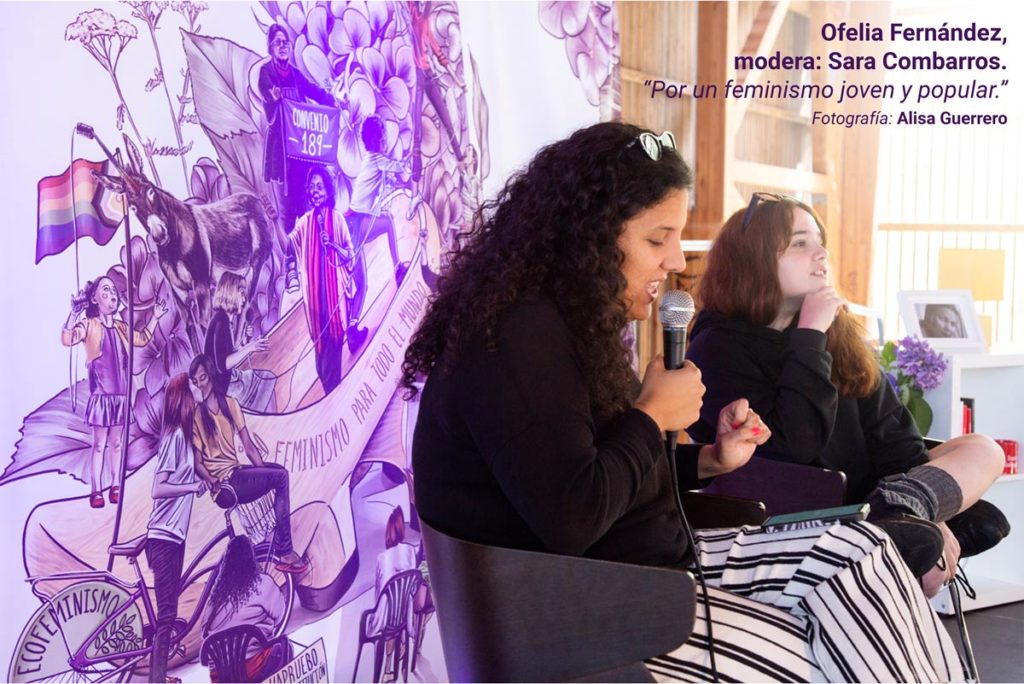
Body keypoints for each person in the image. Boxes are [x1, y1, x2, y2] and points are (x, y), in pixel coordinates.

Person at [402, 122, 963, 682]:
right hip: (584, 606)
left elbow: (591, 466)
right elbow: (572, 514)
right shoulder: (519, 338)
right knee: (840, 637)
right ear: (588, 237)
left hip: (652, 567)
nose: (675, 259)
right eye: (656, 238)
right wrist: (650, 417)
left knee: (863, 552)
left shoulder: (564, 325)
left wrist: (709, 459)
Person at [686, 193, 1004, 596]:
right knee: (925, 562)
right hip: (794, 514)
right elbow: (795, 446)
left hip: (874, 498)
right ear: (754, 259)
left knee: (984, 449)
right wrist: (810, 335)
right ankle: (901, 532)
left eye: (820, 242)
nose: (821, 253)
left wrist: (931, 516)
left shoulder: (839, 336)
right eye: (801, 243)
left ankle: (904, 517)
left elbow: (896, 443)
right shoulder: (717, 346)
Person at [189, 354, 308, 574]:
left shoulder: (230, 404)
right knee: (279, 478)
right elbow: (197, 463)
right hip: (224, 487)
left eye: (203, 378)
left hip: (236, 475)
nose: (201, 384)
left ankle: (281, 546)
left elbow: (248, 445)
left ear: (212, 376)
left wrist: (262, 471)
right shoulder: (197, 416)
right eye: (196, 381)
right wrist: (210, 479)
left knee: (279, 473)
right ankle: (286, 551)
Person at [61, 276, 167, 508]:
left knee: (117, 443)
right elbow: (67, 339)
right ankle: (96, 489)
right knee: (99, 444)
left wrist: (156, 318)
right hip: (101, 396)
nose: (112, 295)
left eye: (114, 292)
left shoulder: (120, 327)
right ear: (94, 299)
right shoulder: (89, 325)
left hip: (120, 397)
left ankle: (116, 485)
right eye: (105, 290)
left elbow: (141, 339)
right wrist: (73, 314)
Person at [258, 23, 335, 292]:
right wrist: (274, 96)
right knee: (289, 212)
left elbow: (312, 90)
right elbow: (267, 92)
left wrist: (331, 99)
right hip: (282, 156)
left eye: (285, 42)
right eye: (277, 42)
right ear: (270, 47)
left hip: (301, 151)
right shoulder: (266, 72)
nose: (283, 45)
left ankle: (315, 261)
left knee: (308, 204)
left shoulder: (295, 73)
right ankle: (291, 267)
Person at [146, 373, 206, 684]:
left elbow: (195, 466)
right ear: (183, 396)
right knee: (166, 615)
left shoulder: (185, 435)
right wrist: (189, 487)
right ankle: (157, 680)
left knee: (167, 611)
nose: (198, 389)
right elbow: (158, 488)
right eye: (193, 386)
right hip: (163, 538)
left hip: (174, 536)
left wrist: (206, 478)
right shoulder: (173, 438)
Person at [291, 166, 366, 392]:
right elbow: (289, 244)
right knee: (321, 361)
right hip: (315, 305)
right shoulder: (304, 222)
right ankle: (330, 391)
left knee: (333, 354)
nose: (315, 191)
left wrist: (331, 245)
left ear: (327, 191)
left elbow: (349, 256)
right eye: (312, 187)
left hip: (335, 303)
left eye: (319, 186)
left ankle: (334, 396)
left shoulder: (338, 220)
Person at [203, 535, 292, 682]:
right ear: (251, 558)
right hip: (253, 669)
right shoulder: (263, 583)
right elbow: (281, 615)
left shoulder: (214, 598)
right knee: (284, 646)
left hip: (221, 676)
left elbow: (204, 630)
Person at [204, 272, 269, 400]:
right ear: (231, 293)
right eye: (241, 293)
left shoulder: (224, 319)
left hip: (229, 380)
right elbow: (223, 365)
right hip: (223, 387)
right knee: (265, 382)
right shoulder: (221, 321)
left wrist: (245, 341)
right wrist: (250, 348)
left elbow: (228, 354)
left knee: (263, 377)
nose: (244, 300)